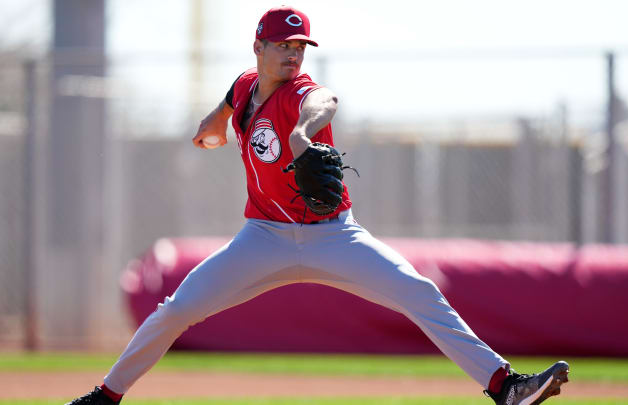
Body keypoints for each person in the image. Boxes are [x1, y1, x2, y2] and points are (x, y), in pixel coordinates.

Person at [67, 6, 569, 405]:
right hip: (261, 238)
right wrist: (214, 123)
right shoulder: (246, 85)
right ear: (259, 47)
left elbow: (323, 101)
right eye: (283, 46)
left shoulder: (301, 94)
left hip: (333, 235)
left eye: (300, 46)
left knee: (419, 292)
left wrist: (304, 133)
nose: (292, 56)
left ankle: (506, 387)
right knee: (174, 311)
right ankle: (104, 397)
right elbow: (231, 98)